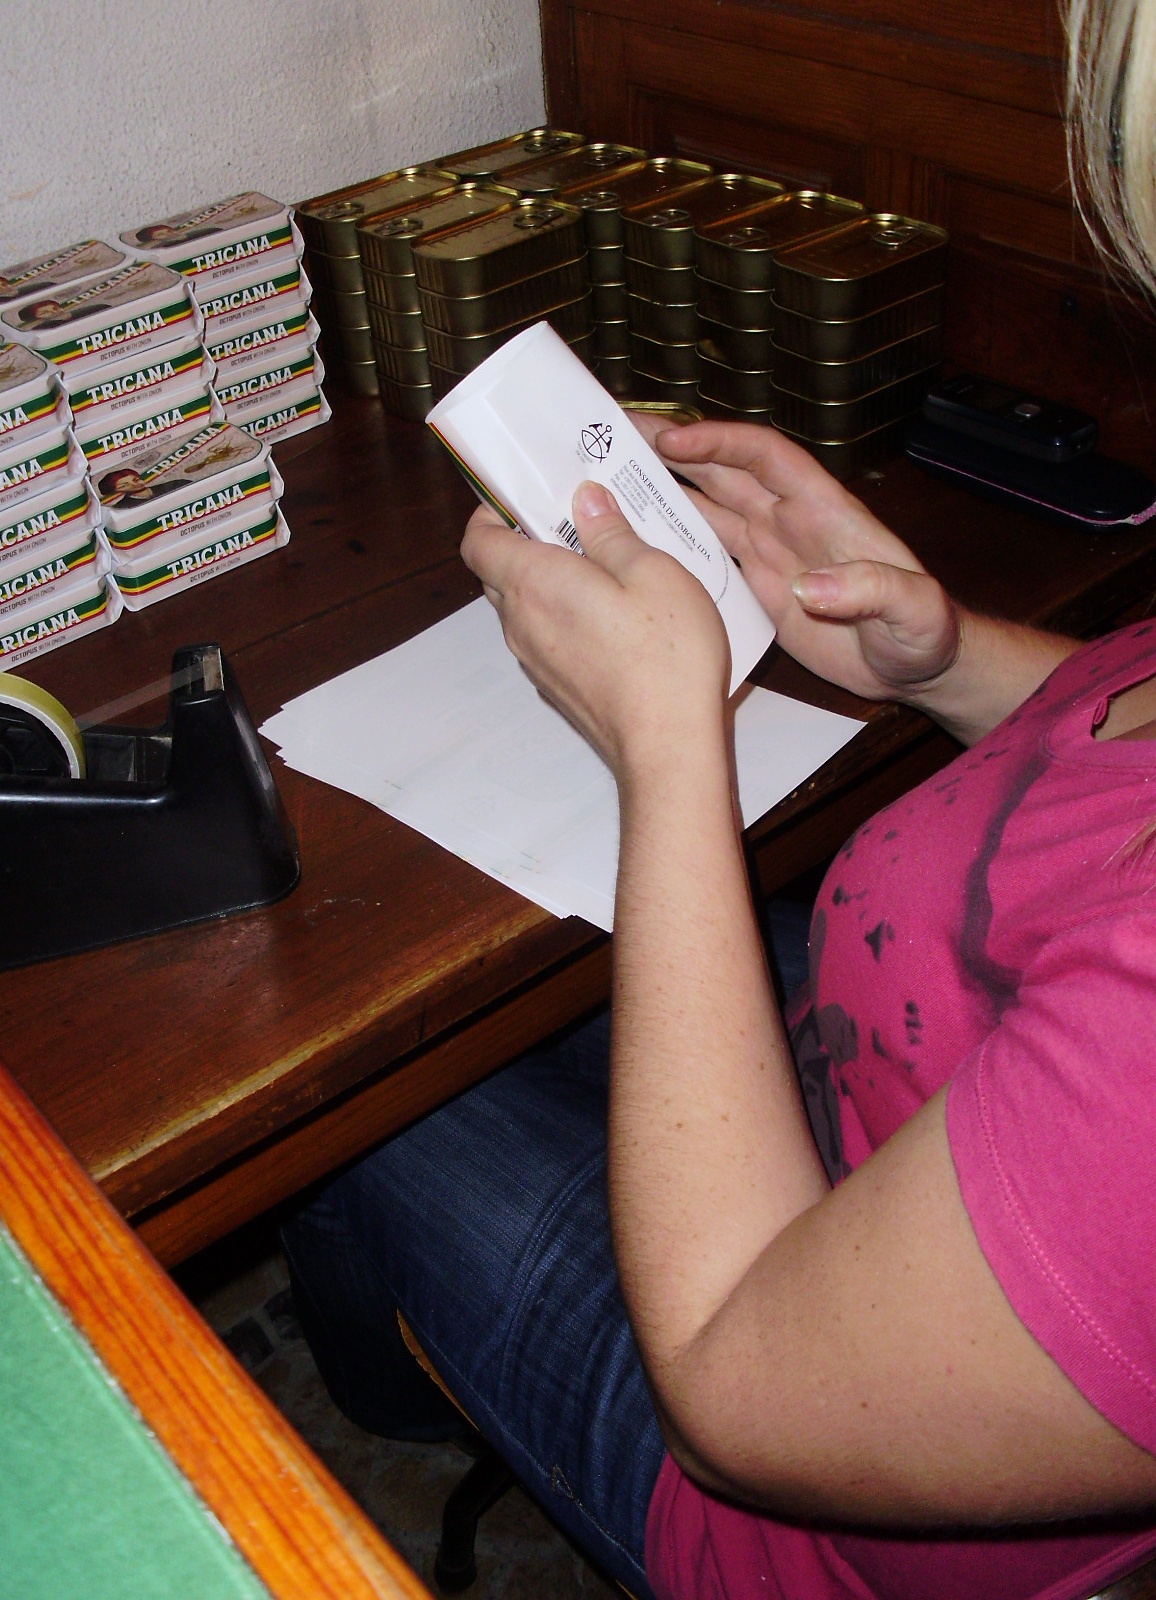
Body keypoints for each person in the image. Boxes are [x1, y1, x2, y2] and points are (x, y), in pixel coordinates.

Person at [282, 2, 1156, 1595]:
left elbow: (732, 1393)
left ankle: (381, 1410)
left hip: (786, 1488)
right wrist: (943, 656)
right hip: (895, 1089)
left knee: (362, 1103)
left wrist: (668, 749)